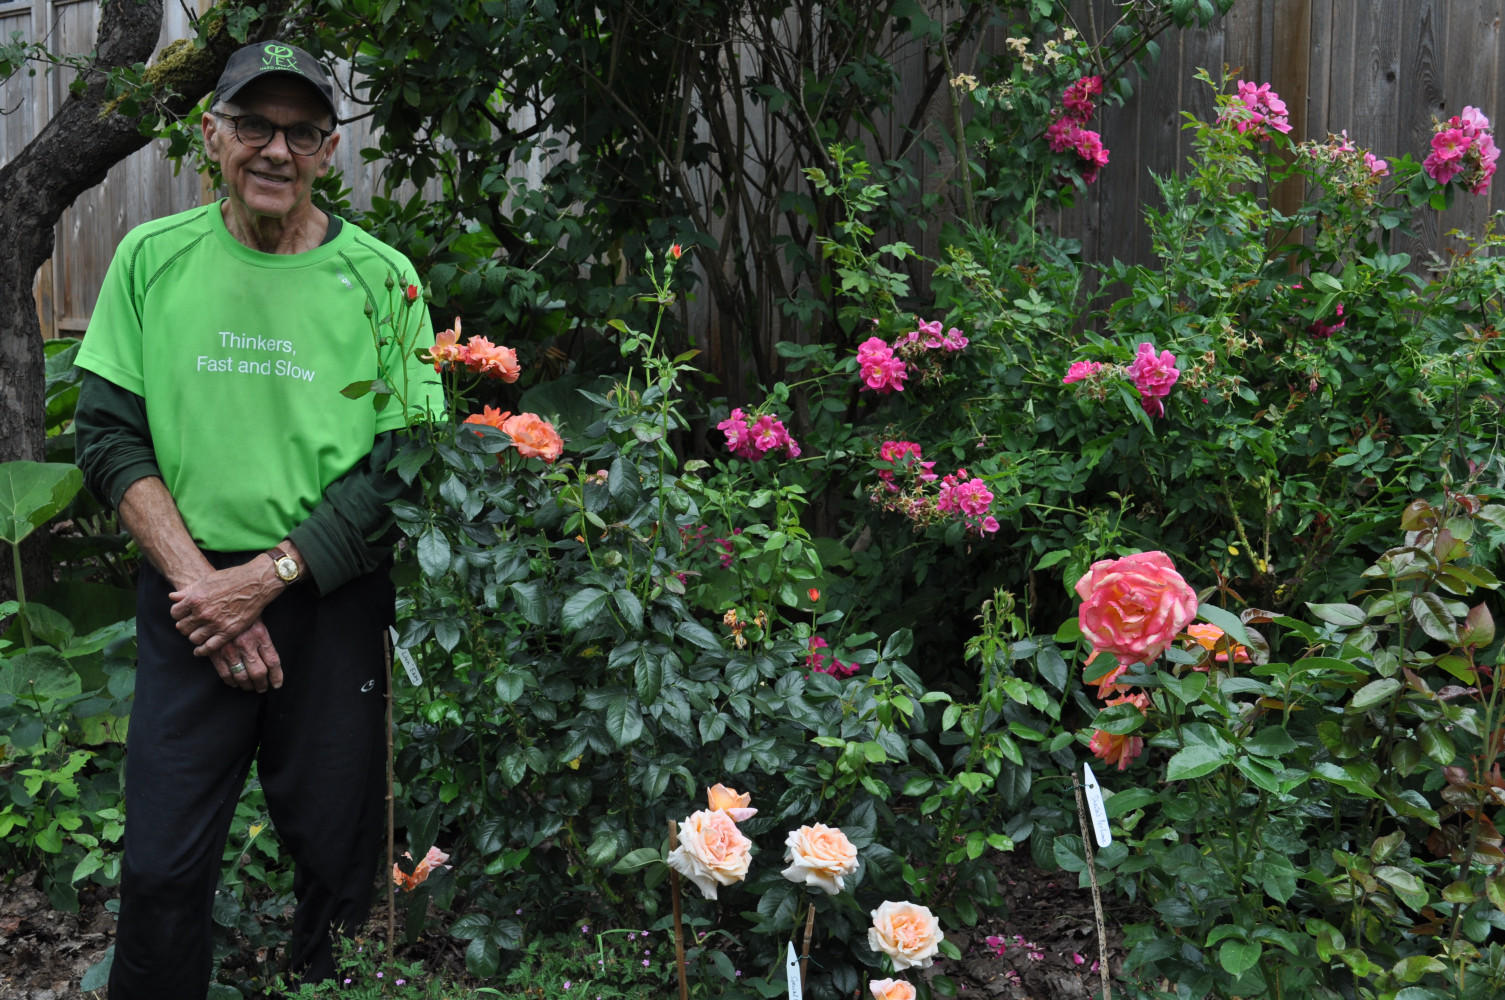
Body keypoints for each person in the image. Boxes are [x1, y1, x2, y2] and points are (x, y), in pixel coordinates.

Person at [72, 40, 441, 997]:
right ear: (212, 135)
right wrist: (207, 587)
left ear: (328, 148)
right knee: (157, 864)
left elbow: (407, 467)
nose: (276, 150)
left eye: (302, 131)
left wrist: (270, 578)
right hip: (188, 596)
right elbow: (108, 436)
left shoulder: (385, 278)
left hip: (330, 597)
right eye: (254, 126)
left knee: (335, 856)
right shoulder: (151, 259)